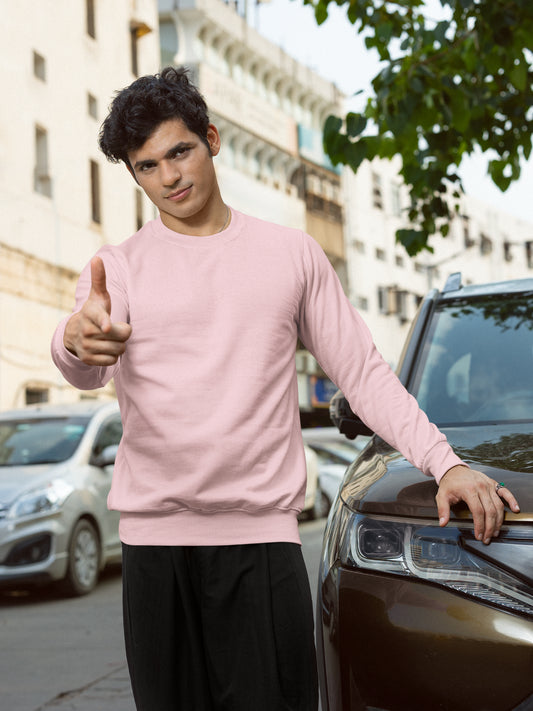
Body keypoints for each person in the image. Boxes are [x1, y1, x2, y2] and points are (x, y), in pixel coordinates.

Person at [51, 67, 520, 711]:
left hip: (262, 543)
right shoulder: (118, 269)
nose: (170, 176)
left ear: (211, 139)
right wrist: (76, 340)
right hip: (156, 549)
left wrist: (447, 464)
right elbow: (85, 361)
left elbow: (364, 373)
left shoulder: (291, 255)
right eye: (148, 165)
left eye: (179, 151)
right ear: (136, 174)